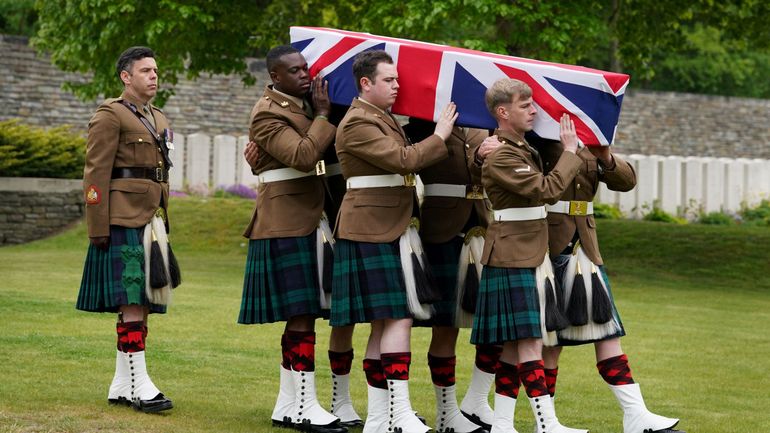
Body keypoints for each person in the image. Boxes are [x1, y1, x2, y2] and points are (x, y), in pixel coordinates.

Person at [331, 50, 457, 433]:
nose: (397, 86)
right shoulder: (356, 122)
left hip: (390, 226)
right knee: (398, 316)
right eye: (389, 80)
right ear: (365, 83)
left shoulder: (382, 119)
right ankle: (397, 414)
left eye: (397, 79)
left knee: (385, 322)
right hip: (370, 227)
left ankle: (378, 418)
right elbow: (404, 160)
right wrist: (440, 136)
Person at [534, 136, 684, 433]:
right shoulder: (539, 137)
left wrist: (606, 156)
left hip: (586, 248)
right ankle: (546, 423)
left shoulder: (591, 137)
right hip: (548, 247)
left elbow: (626, 181)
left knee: (607, 332)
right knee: (551, 345)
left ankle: (635, 413)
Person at [238, 45, 346, 433]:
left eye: (306, 68)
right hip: (284, 222)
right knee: (301, 314)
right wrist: (322, 115)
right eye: (294, 71)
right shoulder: (268, 112)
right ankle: (302, 404)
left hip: (310, 219)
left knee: (307, 314)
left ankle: (290, 403)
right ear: (275, 77)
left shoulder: (300, 106)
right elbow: (302, 155)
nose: (304, 74)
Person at [471, 78, 585, 433]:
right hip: (512, 253)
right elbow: (546, 190)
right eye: (526, 105)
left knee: (513, 346)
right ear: (503, 113)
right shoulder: (503, 154)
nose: (534, 110)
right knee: (531, 340)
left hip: (523, 252)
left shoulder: (517, 148)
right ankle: (546, 424)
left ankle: (503, 423)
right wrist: (570, 152)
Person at [77, 46, 178, 413]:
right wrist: (97, 225)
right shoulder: (110, 115)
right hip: (122, 218)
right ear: (126, 76)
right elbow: (95, 173)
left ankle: (123, 383)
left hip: (152, 219)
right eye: (146, 70)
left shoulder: (160, 118)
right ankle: (141, 385)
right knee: (133, 300)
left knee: (145, 302)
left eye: (155, 70)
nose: (153, 76)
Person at [403, 118, 498, 433]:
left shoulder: (487, 122)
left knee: (494, 325)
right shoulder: (421, 123)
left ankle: (476, 400)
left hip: (484, 226)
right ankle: (446, 413)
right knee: (445, 327)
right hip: (440, 230)